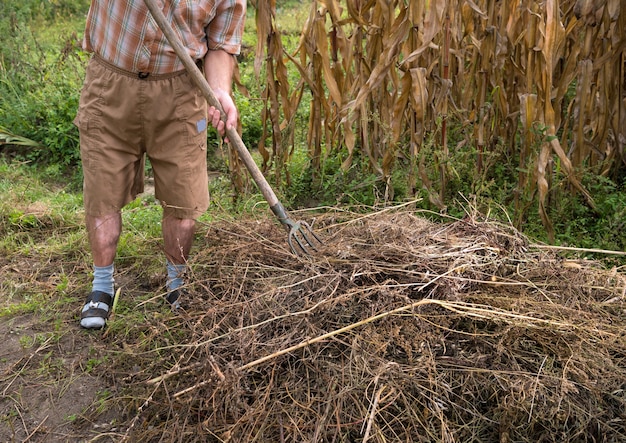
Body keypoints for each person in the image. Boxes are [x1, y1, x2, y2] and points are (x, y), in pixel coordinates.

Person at [74, 0, 246, 329]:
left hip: (181, 91)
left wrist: (221, 91)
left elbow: (220, 45)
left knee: (185, 199)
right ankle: (102, 286)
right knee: (103, 191)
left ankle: (177, 285)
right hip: (111, 83)